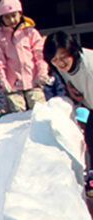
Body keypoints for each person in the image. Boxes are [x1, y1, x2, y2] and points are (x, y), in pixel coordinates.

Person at [43, 31, 93, 170]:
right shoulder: (64, 68)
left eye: (63, 57)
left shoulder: (89, 68)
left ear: (72, 51)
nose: (60, 63)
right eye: (54, 60)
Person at [0, 0, 48, 112]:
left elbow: (40, 54)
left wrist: (42, 73)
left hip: (33, 81)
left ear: (20, 14)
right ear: (1, 18)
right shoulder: (0, 37)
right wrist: (2, 80)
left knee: (39, 112)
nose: (11, 20)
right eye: (7, 17)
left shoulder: (30, 32)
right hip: (13, 86)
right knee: (18, 115)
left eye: (14, 15)